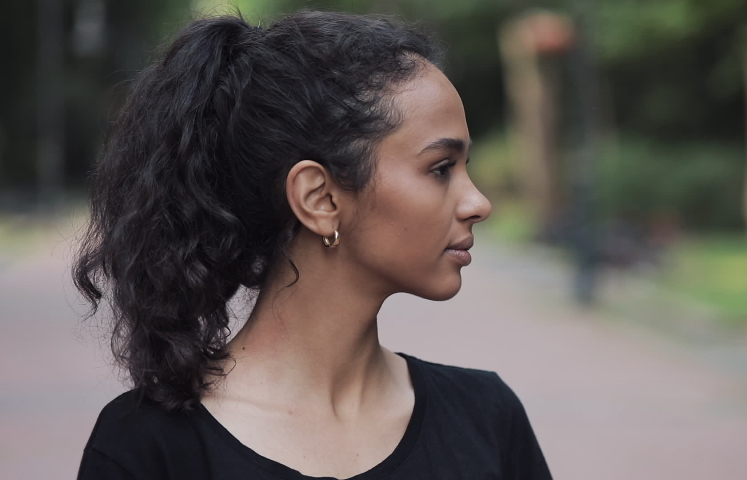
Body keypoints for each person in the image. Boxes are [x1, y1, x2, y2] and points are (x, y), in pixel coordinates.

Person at [74, 10, 552, 480]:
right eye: (441, 168)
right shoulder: (148, 449)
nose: (478, 203)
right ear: (319, 198)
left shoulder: (488, 418)